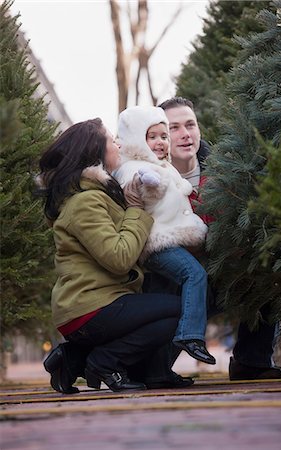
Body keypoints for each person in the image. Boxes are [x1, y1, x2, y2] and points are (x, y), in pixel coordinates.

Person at [37, 118, 193, 394]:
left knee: (172, 307)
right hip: (89, 309)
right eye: (111, 140)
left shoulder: (98, 193)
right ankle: (104, 362)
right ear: (95, 152)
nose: (118, 144)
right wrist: (136, 210)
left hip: (99, 303)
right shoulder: (85, 202)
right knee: (183, 310)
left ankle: (74, 359)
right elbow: (119, 257)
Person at [157, 96, 281, 381]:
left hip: (227, 272)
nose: (185, 134)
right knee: (151, 372)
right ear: (160, 136)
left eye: (190, 125)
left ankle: (251, 362)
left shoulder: (225, 170)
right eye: (175, 128)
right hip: (174, 282)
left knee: (267, 267)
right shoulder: (151, 180)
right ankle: (155, 365)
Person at [114, 105, 215, 365]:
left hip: (172, 239)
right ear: (138, 140)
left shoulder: (163, 166)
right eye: (152, 137)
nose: (160, 143)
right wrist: (149, 181)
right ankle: (190, 335)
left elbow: (178, 185)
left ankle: (158, 370)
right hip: (156, 242)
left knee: (180, 288)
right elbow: (138, 184)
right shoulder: (135, 167)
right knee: (194, 274)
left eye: (162, 137)